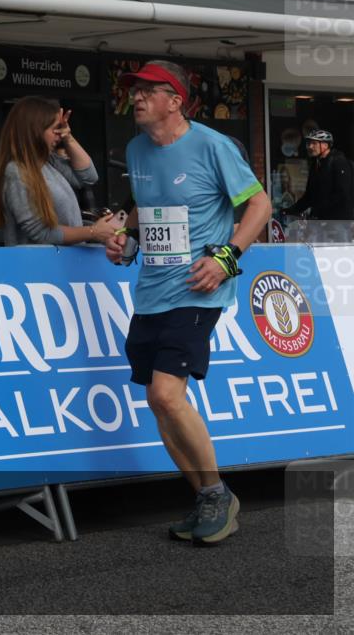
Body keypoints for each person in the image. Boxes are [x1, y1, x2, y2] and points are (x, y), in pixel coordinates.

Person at [104, 60, 272, 545]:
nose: (136, 98)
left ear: (175, 101)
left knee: (165, 394)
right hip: (151, 290)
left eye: (147, 91)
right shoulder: (136, 148)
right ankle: (206, 496)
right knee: (159, 405)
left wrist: (226, 258)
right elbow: (146, 205)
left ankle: (217, 492)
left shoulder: (212, 145)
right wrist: (127, 238)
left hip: (200, 287)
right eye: (134, 91)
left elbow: (259, 205)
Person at [0, 96, 116, 246]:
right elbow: (41, 234)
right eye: (55, 129)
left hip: (63, 265)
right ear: (35, 130)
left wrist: (68, 137)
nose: (60, 134)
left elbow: (89, 177)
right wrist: (93, 231)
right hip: (37, 268)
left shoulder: (49, 162)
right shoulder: (16, 171)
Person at [281, 129, 353, 221]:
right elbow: (309, 195)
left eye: (314, 143)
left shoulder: (339, 162)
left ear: (325, 145)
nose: (310, 146)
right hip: (321, 220)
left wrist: (319, 208)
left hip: (339, 221)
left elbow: (342, 194)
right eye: (309, 143)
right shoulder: (316, 165)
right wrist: (292, 210)